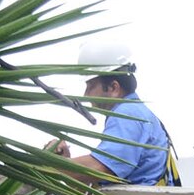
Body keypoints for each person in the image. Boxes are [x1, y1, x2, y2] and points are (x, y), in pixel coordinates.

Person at [46, 39, 179, 187]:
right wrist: (66, 161)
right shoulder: (136, 113)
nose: (86, 94)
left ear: (113, 88)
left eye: (90, 86)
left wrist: (46, 163)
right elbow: (92, 182)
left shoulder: (128, 114)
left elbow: (99, 168)